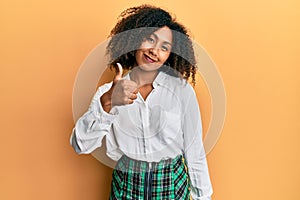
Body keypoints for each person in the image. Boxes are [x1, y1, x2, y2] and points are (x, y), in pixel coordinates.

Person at [70, 4, 213, 200]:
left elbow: (194, 151)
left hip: (171, 185)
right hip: (126, 187)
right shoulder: (108, 93)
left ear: (170, 55)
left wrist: (203, 197)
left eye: (164, 47)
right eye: (150, 39)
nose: (155, 51)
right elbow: (80, 145)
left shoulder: (181, 91)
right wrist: (109, 103)